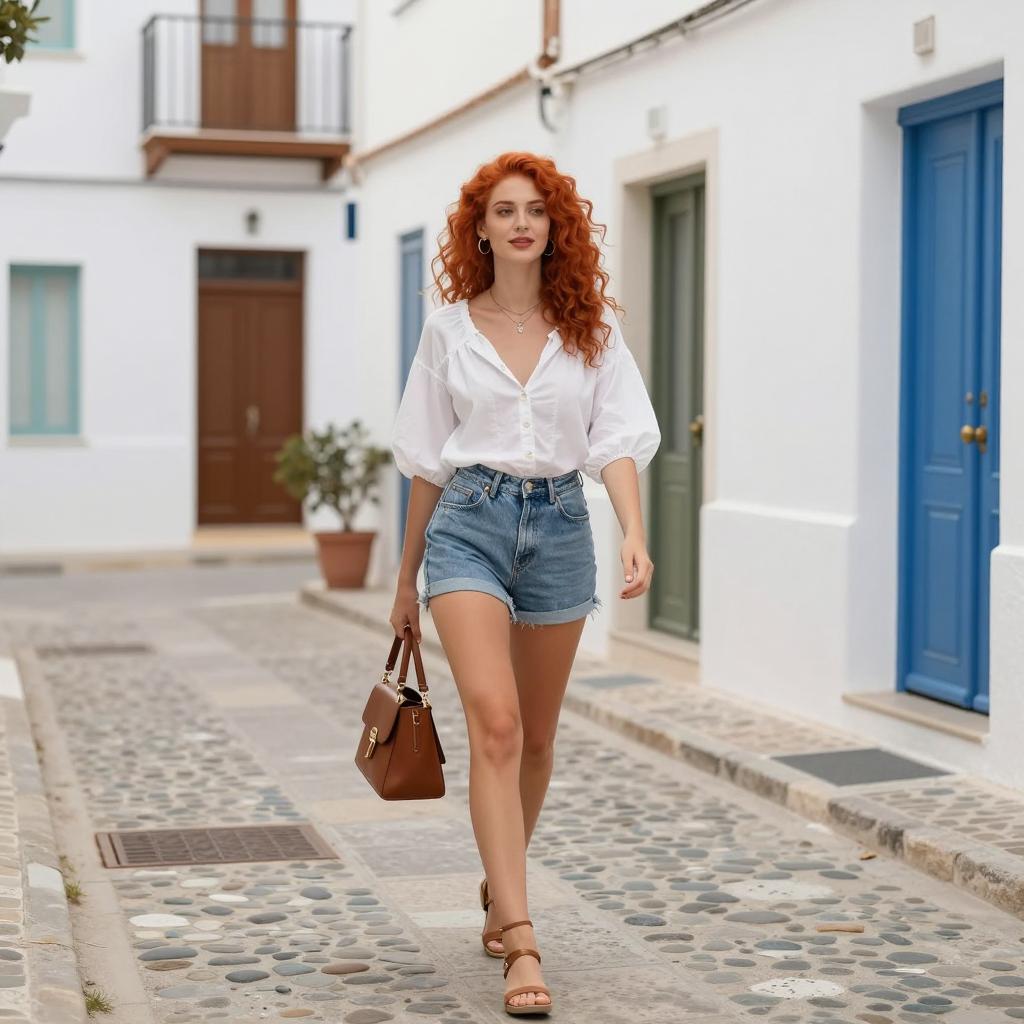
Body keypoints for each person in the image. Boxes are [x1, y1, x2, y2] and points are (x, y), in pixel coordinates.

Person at [388, 152, 661, 1016]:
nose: (519, 223)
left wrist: (635, 533)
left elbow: (616, 439)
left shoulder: (592, 331)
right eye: (503, 210)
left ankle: (495, 888)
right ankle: (522, 938)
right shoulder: (448, 331)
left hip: (560, 531)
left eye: (535, 211)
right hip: (468, 525)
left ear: (555, 228)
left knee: (536, 738)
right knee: (496, 726)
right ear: (481, 228)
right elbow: (428, 462)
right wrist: (405, 577)